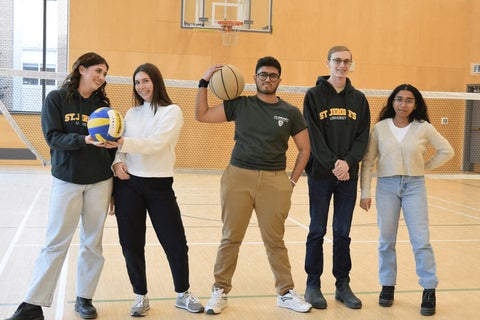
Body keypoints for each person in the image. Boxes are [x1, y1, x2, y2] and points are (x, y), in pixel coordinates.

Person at [194, 56, 312, 314]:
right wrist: (203, 82)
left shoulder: (290, 112)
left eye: (272, 75)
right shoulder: (240, 104)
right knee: (230, 238)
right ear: (255, 78)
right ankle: (220, 291)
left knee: (275, 240)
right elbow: (201, 115)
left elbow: (305, 148)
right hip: (238, 177)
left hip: (274, 180)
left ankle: (285, 292)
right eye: (263, 75)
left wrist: (292, 179)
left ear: (279, 79)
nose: (267, 79)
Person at [6, 52, 116, 320]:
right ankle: (32, 305)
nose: (101, 77)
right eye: (97, 71)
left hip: (100, 181)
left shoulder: (104, 106)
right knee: (55, 243)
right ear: (81, 69)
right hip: (67, 180)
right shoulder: (57, 99)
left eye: (104, 73)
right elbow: (53, 138)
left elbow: (112, 148)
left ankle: (84, 299)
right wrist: (85, 140)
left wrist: (115, 187)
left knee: (93, 243)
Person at [110, 63, 204, 317]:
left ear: (156, 82)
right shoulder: (130, 113)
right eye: (137, 82)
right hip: (128, 185)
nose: (141, 87)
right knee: (131, 243)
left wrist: (122, 143)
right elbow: (121, 149)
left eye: (146, 81)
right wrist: (117, 161)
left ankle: (183, 293)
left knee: (175, 243)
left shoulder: (172, 112)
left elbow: (156, 144)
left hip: (159, 186)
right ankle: (140, 296)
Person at [359, 84, 454, 316]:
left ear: (415, 104)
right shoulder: (379, 128)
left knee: (421, 240)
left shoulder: (423, 127)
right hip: (386, 186)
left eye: (409, 100)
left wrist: (424, 167)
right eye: (399, 99)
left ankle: (429, 289)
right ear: (392, 102)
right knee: (386, 240)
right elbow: (368, 161)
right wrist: (364, 192)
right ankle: (387, 286)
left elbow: (447, 151)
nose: (403, 104)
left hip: (415, 186)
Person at [302, 45, 371, 310]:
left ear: (351, 64)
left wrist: (348, 163)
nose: (342, 65)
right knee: (317, 230)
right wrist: (334, 163)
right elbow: (313, 135)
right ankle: (313, 284)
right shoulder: (314, 96)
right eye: (337, 61)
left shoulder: (360, 99)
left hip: (348, 177)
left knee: (342, 232)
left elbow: (362, 137)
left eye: (347, 61)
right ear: (328, 62)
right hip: (320, 174)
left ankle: (342, 285)